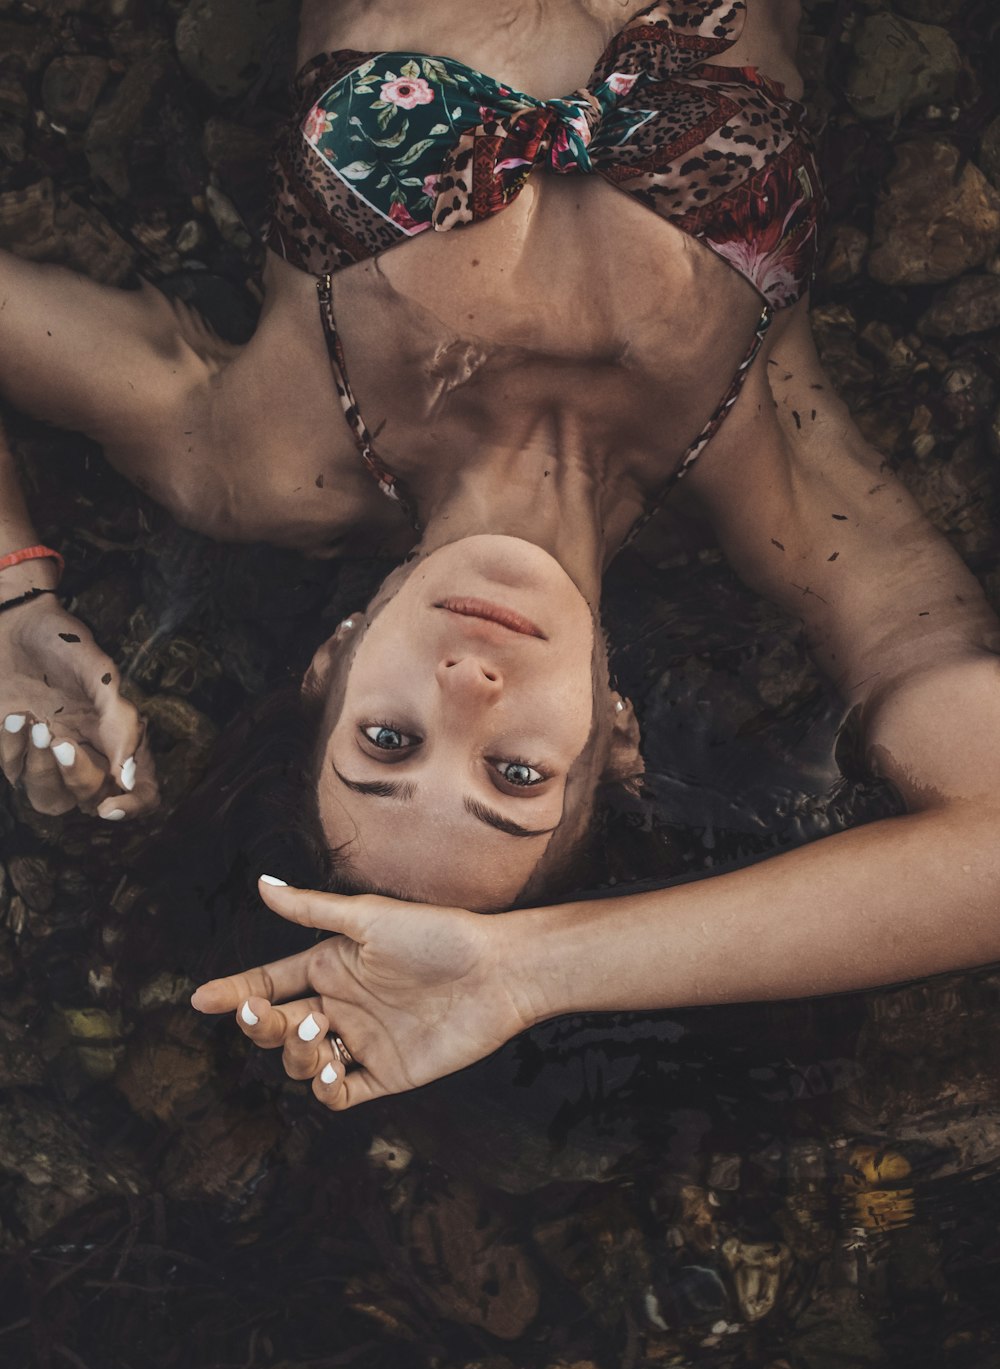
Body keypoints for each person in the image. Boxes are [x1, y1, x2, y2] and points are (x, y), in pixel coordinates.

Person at [3, 0, 831, 911]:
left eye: (389, 741)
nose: (468, 689)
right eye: (515, 774)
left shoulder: (259, 458)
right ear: (616, 741)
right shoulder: (782, 490)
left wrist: (14, 606)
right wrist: (532, 978)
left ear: (332, 660)